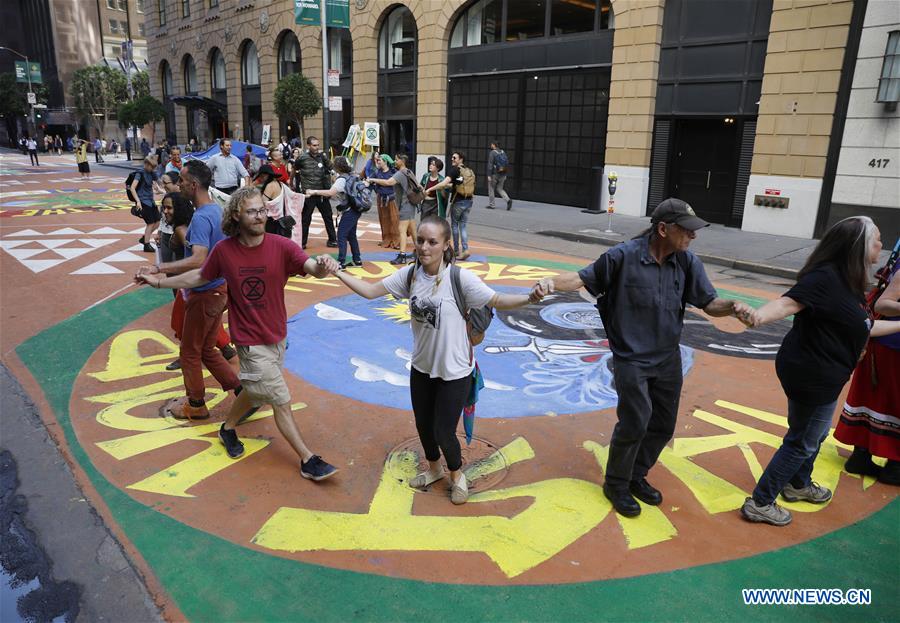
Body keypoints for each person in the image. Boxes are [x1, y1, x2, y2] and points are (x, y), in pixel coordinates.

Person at [537, 198, 754, 518]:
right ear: (663, 229)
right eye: (687, 230)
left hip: (667, 357)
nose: (693, 236)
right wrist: (549, 283)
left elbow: (709, 304)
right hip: (631, 358)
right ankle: (616, 483)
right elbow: (582, 278)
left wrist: (733, 307)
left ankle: (636, 474)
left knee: (663, 424)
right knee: (636, 420)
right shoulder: (622, 257)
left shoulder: (687, 262)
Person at [334, 216, 547, 502]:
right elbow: (371, 291)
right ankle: (434, 469)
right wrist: (338, 271)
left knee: (443, 431)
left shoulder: (459, 279)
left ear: (447, 245)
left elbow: (496, 300)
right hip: (422, 367)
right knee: (423, 425)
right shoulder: (411, 275)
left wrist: (529, 299)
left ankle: (457, 475)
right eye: (420, 240)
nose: (424, 247)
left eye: (432, 242)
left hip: (455, 371)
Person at [137, 186, 341, 481]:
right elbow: (199, 276)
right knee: (278, 397)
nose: (259, 217)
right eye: (252, 211)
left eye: (262, 210)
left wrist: (324, 265)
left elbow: (311, 267)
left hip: (277, 336)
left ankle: (228, 428)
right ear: (236, 215)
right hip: (249, 340)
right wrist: (158, 281)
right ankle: (308, 459)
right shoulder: (225, 251)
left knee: (256, 390)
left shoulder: (281, 246)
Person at [741, 217, 900, 525]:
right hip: (812, 375)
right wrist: (756, 316)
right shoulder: (825, 278)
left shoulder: (849, 279)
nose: (882, 245)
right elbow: (788, 304)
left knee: (811, 433)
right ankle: (761, 502)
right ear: (859, 246)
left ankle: (798, 484)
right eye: (877, 239)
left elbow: (865, 326)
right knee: (802, 440)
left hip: (821, 373)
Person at [136, 159, 243, 420]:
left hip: (205, 293)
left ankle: (196, 404)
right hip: (217, 292)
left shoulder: (201, 218)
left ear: (193, 185)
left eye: (182, 181)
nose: (178, 185)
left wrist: (159, 270)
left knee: (190, 352)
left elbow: (198, 259)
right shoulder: (216, 212)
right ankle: (243, 392)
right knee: (206, 349)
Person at [834, 253, 900, 486]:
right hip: (891, 344)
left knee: (876, 399)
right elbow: (884, 303)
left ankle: (862, 456)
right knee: (890, 401)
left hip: (885, 342)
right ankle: (894, 465)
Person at [306, 156, 361, 269]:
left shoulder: (342, 179)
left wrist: (314, 191)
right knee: (351, 235)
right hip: (356, 208)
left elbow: (330, 192)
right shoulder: (352, 176)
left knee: (341, 235)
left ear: (338, 167)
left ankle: (341, 262)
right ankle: (357, 260)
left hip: (349, 210)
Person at [369, 153, 417, 265]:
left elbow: (388, 182)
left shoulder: (400, 173)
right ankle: (419, 251)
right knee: (413, 230)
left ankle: (402, 255)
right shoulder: (409, 171)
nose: (394, 161)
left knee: (402, 230)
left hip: (405, 204)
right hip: (411, 204)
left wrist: (372, 179)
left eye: (396, 160)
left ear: (402, 161)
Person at [295, 136, 338, 249]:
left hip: (322, 192)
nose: (316, 147)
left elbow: (331, 167)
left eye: (317, 145)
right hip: (309, 193)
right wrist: (293, 185)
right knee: (305, 218)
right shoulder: (302, 158)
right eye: (314, 145)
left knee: (328, 216)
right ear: (308, 146)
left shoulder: (322, 156)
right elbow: (295, 170)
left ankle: (333, 240)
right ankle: (302, 243)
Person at [433, 152, 475, 260]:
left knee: (455, 226)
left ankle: (456, 251)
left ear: (461, 159)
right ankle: (465, 249)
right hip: (469, 201)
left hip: (458, 202)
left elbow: (443, 183)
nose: (452, 159)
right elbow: (457, 183)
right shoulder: (468, 171)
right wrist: (449, 185)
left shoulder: (455, 170)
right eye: (452, 157)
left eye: (454, 158)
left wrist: (430, 189)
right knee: (463, 226)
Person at [130, 156, 162, 253]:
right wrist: (138, 201)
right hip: (143, 202)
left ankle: (144, 238)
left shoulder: (152, 173)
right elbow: (132, 188)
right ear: (146, 164)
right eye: (151, 166)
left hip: (151, 201)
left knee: (158, 221)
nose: (153, 169)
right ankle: (146, 245)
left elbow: (160, 182)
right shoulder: (140, 173)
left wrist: (162, 187)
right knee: (150, 223)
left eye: (154, 167)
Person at [370, 154, 400, 250]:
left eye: (380, 160)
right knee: (384, 220)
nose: (378, 162)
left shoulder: (393, 172)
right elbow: (369, 180)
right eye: (377, 160)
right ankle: (386, 239)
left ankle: (396, 241)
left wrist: (374, 180)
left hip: (391, 199)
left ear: (385, 162)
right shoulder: (377, 172)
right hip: (381, 199)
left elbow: (389, 182)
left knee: (394, 220)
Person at [486, 141, 512, 211]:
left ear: (494, 145)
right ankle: (508, 200)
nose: (491, 145)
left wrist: (489, 175)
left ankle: (492, 205)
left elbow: (490, 164)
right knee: (500, 188)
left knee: (491, 188)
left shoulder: (492, 153)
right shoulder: (503, 152)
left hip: (495, 174)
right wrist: (505, 173)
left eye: (491, 144)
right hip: (503, 173)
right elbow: (506, 163)